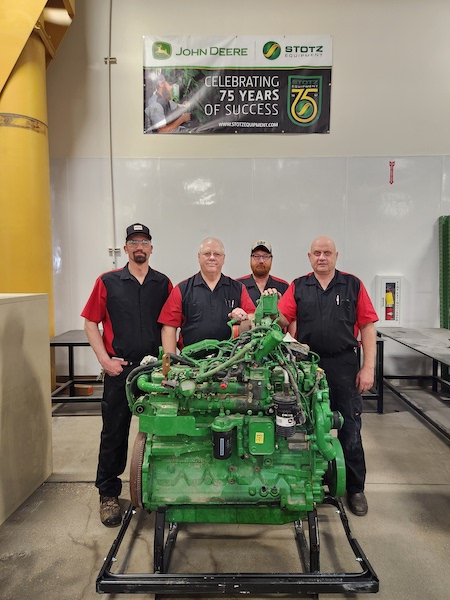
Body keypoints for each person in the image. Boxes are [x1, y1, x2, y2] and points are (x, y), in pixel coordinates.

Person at [270, 236, 378, 517]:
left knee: (350, 428)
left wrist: (368, 368)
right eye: (316, 253)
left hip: (344, 364)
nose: (322, 257)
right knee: (302, 426)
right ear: (309, 257)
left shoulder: (352, 284)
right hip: (306, 366)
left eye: (327, 253)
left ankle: (355, 488)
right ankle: (305, 481)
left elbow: (367, 326)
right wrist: (261, 318)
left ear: (336, 256)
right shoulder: (299, 286)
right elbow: (280, 320)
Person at [81, 223, 173, 527]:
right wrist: (104, 360)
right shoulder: (107, 282)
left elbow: (171, 324)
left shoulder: (163, 284)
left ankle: (161, 488)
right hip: (120, 370)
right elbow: (90, 322)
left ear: (151, 248)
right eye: (133, 241)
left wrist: (170, 365)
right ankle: (108, 494)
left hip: (154, 371)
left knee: (162, 432)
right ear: (126, 248)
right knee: (114, 434)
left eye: (144, 242)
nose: (139, 247)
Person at [158, 237, 255, 353]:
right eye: (207, 254)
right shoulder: (182, 289)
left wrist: (244, 317)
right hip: (192, 363)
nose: (212, 257)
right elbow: (168, 327)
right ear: (199, 257)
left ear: (224, 258)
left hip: (230, 361)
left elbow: (254, 318)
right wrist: (171, 362)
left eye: (217, 254)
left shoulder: (238, 288)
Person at [237, 240, 290, 304]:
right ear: (250, 258)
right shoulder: (237, 285)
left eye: (265, 256)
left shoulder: (283, 287)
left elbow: (288, 313)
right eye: (256, 256)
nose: (261, 261)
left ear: (271, 259)